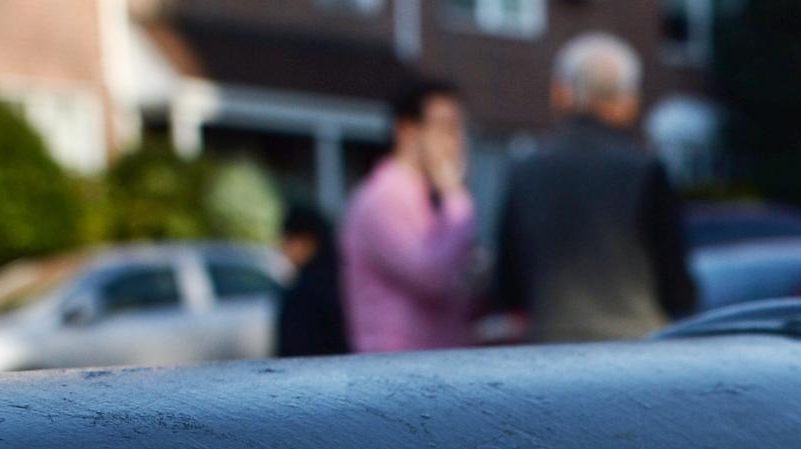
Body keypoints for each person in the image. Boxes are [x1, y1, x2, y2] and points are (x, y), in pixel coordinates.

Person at [491, 33, 697, 343]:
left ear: (561, 94)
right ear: (628, 102)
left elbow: (508, 288)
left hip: (548, 350)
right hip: (634, 349)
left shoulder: (524, 170)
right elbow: (678, 291)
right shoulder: (645, 171)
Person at [339, 78, 477, 353]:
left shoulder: (426, 195)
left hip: (430, 371)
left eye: (459, 129)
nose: (457, 142)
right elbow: (433, 276)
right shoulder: (381, 199)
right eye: (445, 128)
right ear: (406, 130)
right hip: (396, 376)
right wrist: (457, 199)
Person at [274, 204, 349, 358]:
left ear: (306, 242)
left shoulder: (302, 294)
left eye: (287, 240)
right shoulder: (343, 280)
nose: (282, 248)